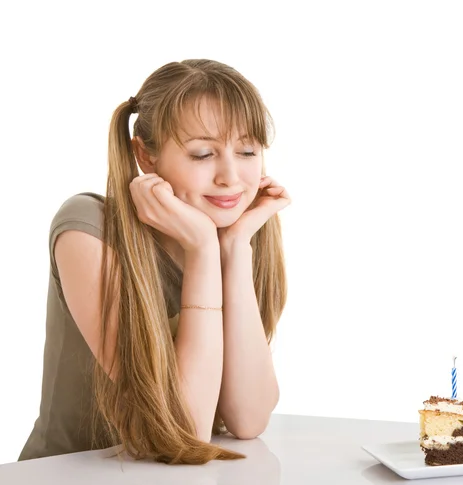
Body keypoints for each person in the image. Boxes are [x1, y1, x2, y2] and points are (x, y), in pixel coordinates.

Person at [18, 59, 290, 465]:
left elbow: (248, 418)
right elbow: (185, 431)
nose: (231, 177)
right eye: (202, 154)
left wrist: (232, 250)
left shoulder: (240, 232)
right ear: (145, 155)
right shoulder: (87, 229)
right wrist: (201, 251)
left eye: (247, 150)